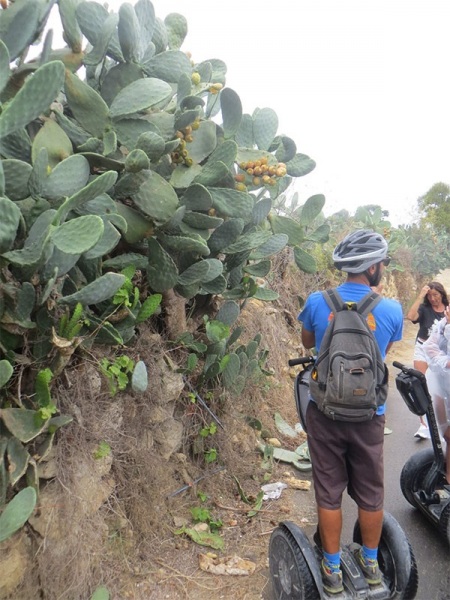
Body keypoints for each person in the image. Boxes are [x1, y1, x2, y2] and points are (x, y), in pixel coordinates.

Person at [298, 229, 403, 595]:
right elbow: (384, 351)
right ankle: (371, 564)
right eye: (383, 264)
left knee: (328, 492)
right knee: (371, 492)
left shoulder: (316, 300)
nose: (384, 269)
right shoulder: (391, 309)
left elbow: (307, 342)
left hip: (325, 413)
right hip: (369, 416)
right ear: (373, 267)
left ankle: (331, 570)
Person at [406, 282, 449, 439]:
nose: (432, 299)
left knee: (440, 388)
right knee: (421, 385)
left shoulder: (447, 309)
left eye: (435, 295)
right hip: (423, 348)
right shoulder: (424, 309)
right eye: (429, 296)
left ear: (442, 294)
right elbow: (410, 317)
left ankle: (441, 422)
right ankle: (424, 425)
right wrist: (420, 295)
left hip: (440, 353)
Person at [423, 307, 450, 484]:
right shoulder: (442, 325)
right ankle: (448, 478)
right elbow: (429, 347)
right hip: (442, 385)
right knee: (448, 436)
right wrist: (445, 361)